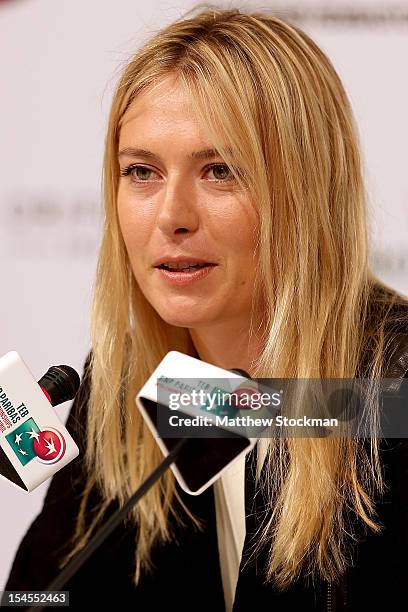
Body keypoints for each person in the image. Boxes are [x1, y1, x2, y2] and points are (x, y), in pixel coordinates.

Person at [3, 6, 408, 611]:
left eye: (219, 171)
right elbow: (39, 596)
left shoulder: (391, 399)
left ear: (306, 191)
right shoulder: (123, 389)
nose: (171, 216)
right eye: (141, 171)